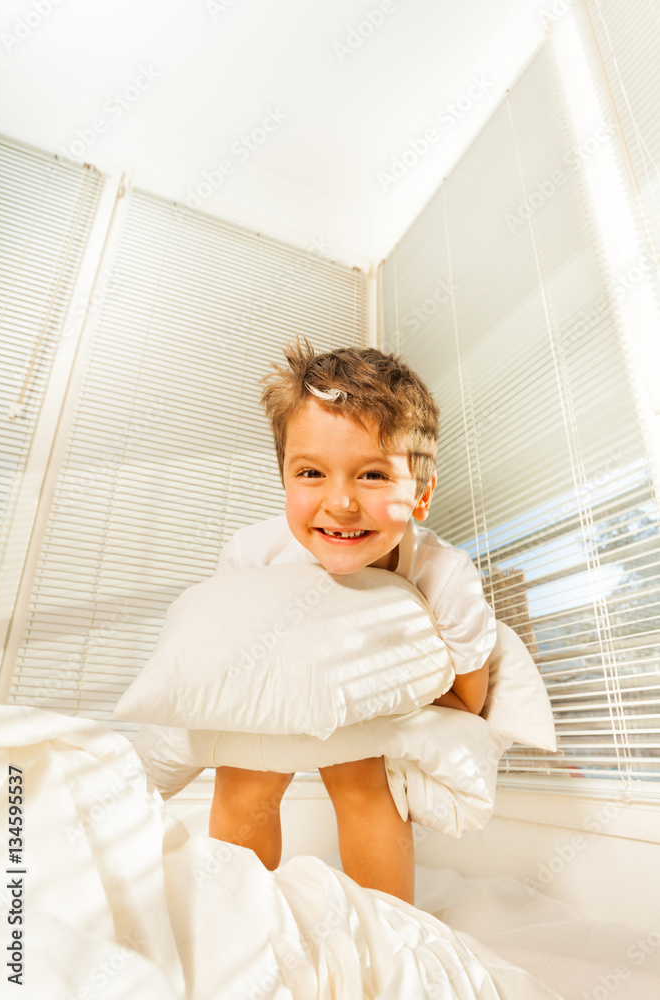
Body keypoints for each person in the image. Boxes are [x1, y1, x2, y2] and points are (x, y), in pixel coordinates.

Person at [208, 336, 496, 905]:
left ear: (421, 494)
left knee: (362, 771)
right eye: (311, 473)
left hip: (379, 703)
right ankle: (233, 917)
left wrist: (365, 697)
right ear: (285, 479)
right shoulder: (253, 555)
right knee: (244, 771)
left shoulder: (443, 576)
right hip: (274, 689)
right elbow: (225, 665)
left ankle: (391, 931)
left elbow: (467, 700)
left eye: (372, 475)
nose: (340, 503)